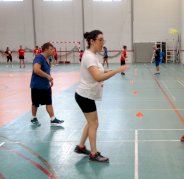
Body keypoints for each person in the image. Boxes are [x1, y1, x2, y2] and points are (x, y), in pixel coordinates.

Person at [74, 30, 127, 162]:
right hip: (85, 95)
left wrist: (109, 71)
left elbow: (98, 73)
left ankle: (81, 147)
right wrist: (116, 70)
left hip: (87, 95)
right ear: (92, 41)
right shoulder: (89, 57)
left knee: (91, 122)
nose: (103, 43)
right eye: (100, 40)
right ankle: (93, 153)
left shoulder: (92, 55)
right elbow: (98, 77)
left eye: (103, 40)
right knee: (94, 123)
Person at [30, 42, 64, 126]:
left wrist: (50, 80)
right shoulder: (39, 58)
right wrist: (48, 77)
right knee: (35, 103)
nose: (53, 51)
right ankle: (33, 118)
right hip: (37, 86)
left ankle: (53, 119)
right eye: (51, 49)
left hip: (46, 86)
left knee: (49, 102)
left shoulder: (47, 59)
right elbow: (36, 70)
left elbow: (46, 71)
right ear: (45, 49)